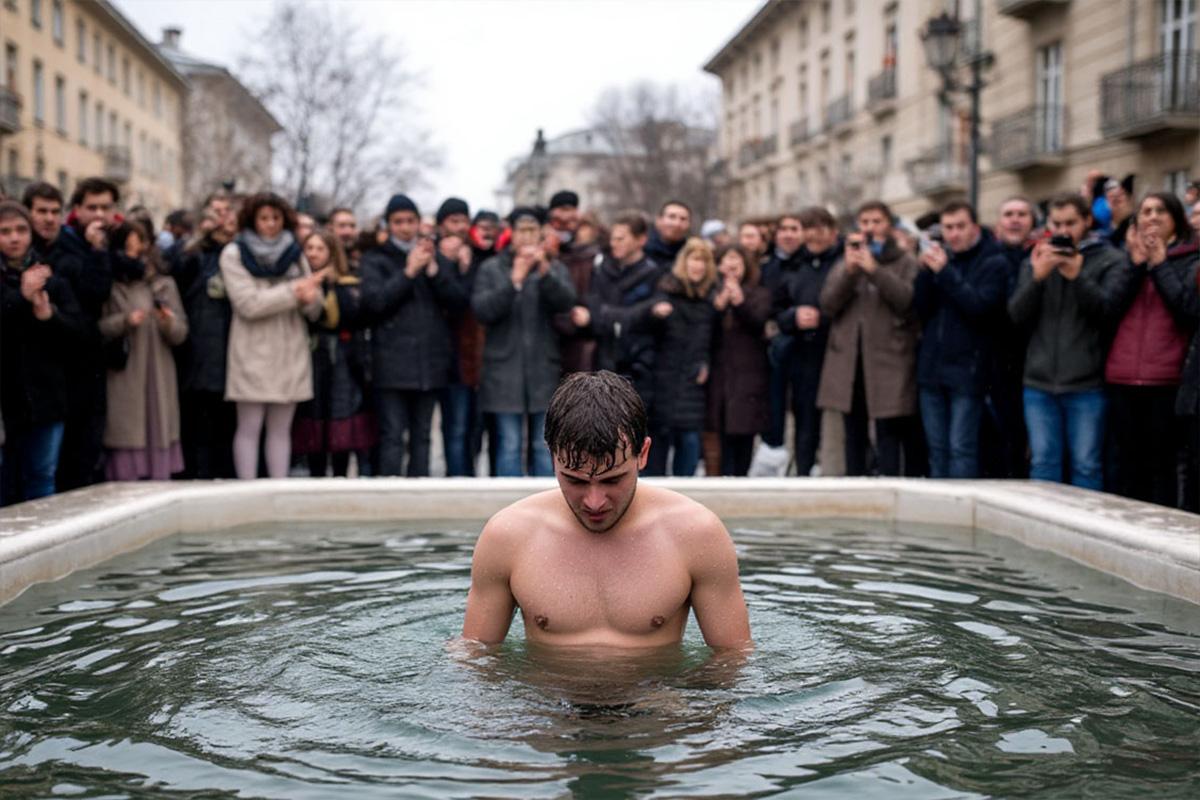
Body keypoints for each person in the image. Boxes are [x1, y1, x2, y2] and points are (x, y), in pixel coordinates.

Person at [461, 370, 751, 649]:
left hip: (655, 696)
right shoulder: (507, 536)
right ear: (552, 459)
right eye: (575, 480)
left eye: (613, 480)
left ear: (643, 454)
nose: (594, 501)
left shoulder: (697, 535)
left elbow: (732, 661)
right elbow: (476, 658)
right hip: (545, 698)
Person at [1008, 193, 1128, 489]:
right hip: (1038, 383)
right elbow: (1016, 315)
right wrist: (1037, 278)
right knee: (1043, 463)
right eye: (1056, 223)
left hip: (1086, 384)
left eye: (1070, 223)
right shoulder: (1036, 259)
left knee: (1086, 466)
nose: (1063, 231)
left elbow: (1107, 312)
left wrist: (1077, 276)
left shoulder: (1108, 259)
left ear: (1087, 220)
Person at [221, 192, 327, 480]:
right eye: (264, 218)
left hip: (290, 350)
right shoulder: (234, 253)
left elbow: (314, 309)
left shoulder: (295, 252)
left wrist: (310, 298)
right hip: (251, 350)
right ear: (252, 220)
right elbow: (248, 304)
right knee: (249, 426)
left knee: (281, 429)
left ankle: (278, 490)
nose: (270, 224)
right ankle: (247, 491)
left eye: (276, 218)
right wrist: (293, 292)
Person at [361, 194, 467, 477]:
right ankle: (388, 496)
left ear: (419, 223)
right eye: (398, 221)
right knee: (393, 436)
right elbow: (374, 304)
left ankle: (420, 494)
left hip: (429, 365)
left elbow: (458, 303)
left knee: (422, 437)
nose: (405, 227)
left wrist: (433, 271)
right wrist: (408, 273)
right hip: (391, 365)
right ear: (389, 224)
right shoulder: (376, 259)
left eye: (410, 220)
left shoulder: (434, 258)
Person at [1106, 192, 1199, 507]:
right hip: (1122, 376)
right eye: (1146, 211)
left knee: (1162, 466)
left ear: (1176, 219)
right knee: (1127, 465)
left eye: (1161, 210)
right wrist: (1135, 265)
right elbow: (1107, 310)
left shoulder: (1190, 259)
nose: (1153, 216)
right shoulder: (1125, 259)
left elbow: (1187, 310)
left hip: (1166, 378)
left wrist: (1160, 264)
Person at [816, 201, 920, 477]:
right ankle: (855, 486)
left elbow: (906, 301)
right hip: (850, 362)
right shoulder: (845, 261)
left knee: (889, 432)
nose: (870, 228)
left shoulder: (905, 261)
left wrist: (874, 270)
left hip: (889, 360)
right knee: (853, 433)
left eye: (876, 221)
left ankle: (888, 486)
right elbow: (827, 304)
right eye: (865, 222)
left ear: (889, 224)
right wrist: (850, 273)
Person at [472, 207, 576, 477]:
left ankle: (547, 507)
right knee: (509, 444)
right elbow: (482, 311)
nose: (528, 238)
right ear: (512, 234)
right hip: (504, 371)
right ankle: (511, 512)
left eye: (533, 231)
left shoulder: (552, 267)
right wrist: (514, 280)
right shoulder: (492, 268)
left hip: (543, 368)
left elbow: (566, 302)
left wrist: (544, 274)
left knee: (544, 445)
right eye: (522, 231)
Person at [33, 178, 117, 491]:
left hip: (91, 361)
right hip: (57, 363)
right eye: (91, 207)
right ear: (77, 209)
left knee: (85, 452)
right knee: (52, 462)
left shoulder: (110, 242)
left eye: (105, 207)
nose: (98, 215)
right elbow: (95, 294)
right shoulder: (64, 247)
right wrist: (97, 253)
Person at [0, 201, 86, 505]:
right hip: (6, 401)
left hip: (47, 398)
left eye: (21, 230)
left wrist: (50, 316)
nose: (14, 238)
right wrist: (21, 299)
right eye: (5, 231)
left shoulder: (52, 278)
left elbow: (79, 333)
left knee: (42, 478)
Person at [914, 200, 1006, 479]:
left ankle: (959, 507)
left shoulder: (994, 261)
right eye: (948, 228)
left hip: (968, 372)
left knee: (961, 448)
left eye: (960, 227)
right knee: (937, 448)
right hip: (932, 370)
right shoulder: (941, 260)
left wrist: (945, 273)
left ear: (974, 227)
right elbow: (920, 309)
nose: (954, 234)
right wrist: (924, 274)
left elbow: (978, 307)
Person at [99, 222, 188, 481]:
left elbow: (181, 333)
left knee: (157, 429)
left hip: (158, 375)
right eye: (127, 247)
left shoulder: (164, 285)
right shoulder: (112, 285)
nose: (134, 253)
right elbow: (98, 329)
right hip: (126, 376)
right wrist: (125, 321)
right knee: (127, 437)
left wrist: (167, 321)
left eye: (139, 245)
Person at [292, 230, 377, 478]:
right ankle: (315, 477)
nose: (314, 254)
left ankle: (340, 478)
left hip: (343, 361)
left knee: (342, 424)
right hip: (312, 359)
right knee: (314, 424)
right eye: (310, 248)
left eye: (320, 248)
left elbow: (353, 316)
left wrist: (329, 287)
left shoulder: (347, 283)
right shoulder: (297, 279)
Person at [172, 192, 238, 479]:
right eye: (216, 211)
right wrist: (199, 238)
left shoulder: (243, 253)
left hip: (235, 353)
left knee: (229, 429)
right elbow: (175, 273)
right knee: (197, 426)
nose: (221, 218)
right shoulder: (192, 252)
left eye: (227, 211)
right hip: (197, 354)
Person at [773, 207, 842, 477]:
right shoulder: (791, 266)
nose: (812, 235)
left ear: (831, 232)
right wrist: (792, 317)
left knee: (838, 424)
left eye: (819, 228)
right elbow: (776, 310)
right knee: (804, 422)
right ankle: (803, 474)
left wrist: (822, 318)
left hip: (836, 352)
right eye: (807, 229)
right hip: (802, 354)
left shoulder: (841, 262)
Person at [644, 237, 717, 477]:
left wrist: (705, 361)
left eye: (704, 261)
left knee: (689, 446)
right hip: (664, 380)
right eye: (694, 259)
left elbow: (711, 340)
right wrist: (655, 314)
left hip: (693, 381)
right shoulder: (666, 292)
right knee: (659, 446)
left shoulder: (709, 300)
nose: (698, 266)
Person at [580, 211, 665, 413]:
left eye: (621, 238)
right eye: (613, 238)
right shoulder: (602, 269)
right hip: (604, 362)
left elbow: (651, 321)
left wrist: (612, 315)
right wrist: (638, 312)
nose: (614, 243)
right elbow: (594, 311)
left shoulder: (654, 273)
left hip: (640, 366)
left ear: (641, 240)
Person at [981, 196, 1037, 479]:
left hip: (1035, 361)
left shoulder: (1041, 257)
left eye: (1022, 214)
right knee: (997, 440)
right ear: (999, 223)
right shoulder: (987, 259)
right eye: (1009, 214)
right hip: (994, 363)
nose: (1015, 219)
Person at [707, 244, 771, 476]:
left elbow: (758, 322)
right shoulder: (710, 294)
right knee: (720, 437)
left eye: (737, 261)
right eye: (727, 260)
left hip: (749, 376)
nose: (732, 266)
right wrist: (719, 305)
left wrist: (740, 302)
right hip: (720, 377)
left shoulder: (760, 293)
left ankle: (742, 479)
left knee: (744, 435)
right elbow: (704, 331)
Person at [756, 212, 806, 473]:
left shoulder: (810, 263)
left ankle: (802, 468)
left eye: (794, 228)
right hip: (773, 351)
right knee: (773, 413)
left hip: (807, 351)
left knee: (805, 417)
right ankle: (774, 464)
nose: (788, 234)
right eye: (784, 229)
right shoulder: (766, 268)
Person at [547, 190, 601, 374]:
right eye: (561, 213)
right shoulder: (548, 252)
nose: (566, 220)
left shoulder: (592, 255)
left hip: (579, 332)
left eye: (571, 213)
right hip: (550, 337)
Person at [644, 200, 692, 269]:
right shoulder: (640, 251)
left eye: (683, 219)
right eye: (672, 217)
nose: (677, 224)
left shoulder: (691, 254)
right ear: (658, 220)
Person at [1105, 174, 1135, 250]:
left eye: (1120, 195)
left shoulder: (1135, 224)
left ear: (1129, 199)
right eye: (1111, 197)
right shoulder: (1103, 227)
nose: (1115, 198)